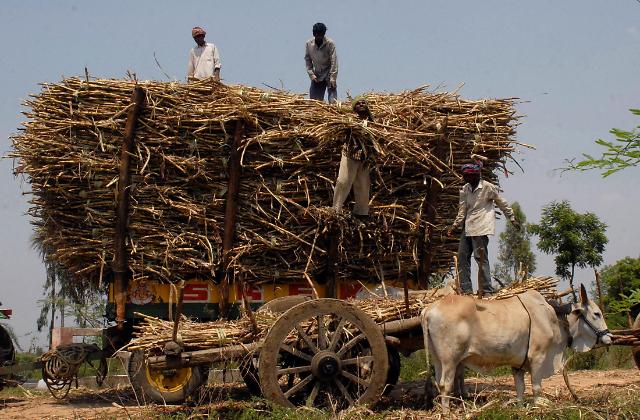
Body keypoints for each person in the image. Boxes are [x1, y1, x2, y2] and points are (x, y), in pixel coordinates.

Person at [447, 161, 521, 295]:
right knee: (462, 257)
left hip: (481, 227)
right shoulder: (465, 190)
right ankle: (466, 290)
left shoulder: (488, 187)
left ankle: (487, 290)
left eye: (469, 176)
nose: (467, 178)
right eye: (465, 176)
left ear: (477, 175)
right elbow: (462, 211)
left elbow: (501, 202)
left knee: (480, 258)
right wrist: (454, 226)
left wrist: (512, 218)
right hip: (468, 226)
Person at [332, 97, 375, 218]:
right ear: (354, 108)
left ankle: (361, 212)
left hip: (364, 157)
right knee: (343, 181)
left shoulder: (371, 122)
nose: (361, 105)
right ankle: (336, 210)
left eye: (363, 103)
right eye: (358, 103)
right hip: (350, 154)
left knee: (363, 184)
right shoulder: (350, 120)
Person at [305, 22, 338, 103]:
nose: (319, 37)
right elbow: (308, 59)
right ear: (314, 34)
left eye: (321, 35)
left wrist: (333, 77)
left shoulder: (330, 43)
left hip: (329, 72)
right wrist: (312, 75)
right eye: (317, 35)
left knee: (332, 101)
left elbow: (334, 61)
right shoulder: (309, 44)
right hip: (317, 74)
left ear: (324, 34)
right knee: (314, 102)